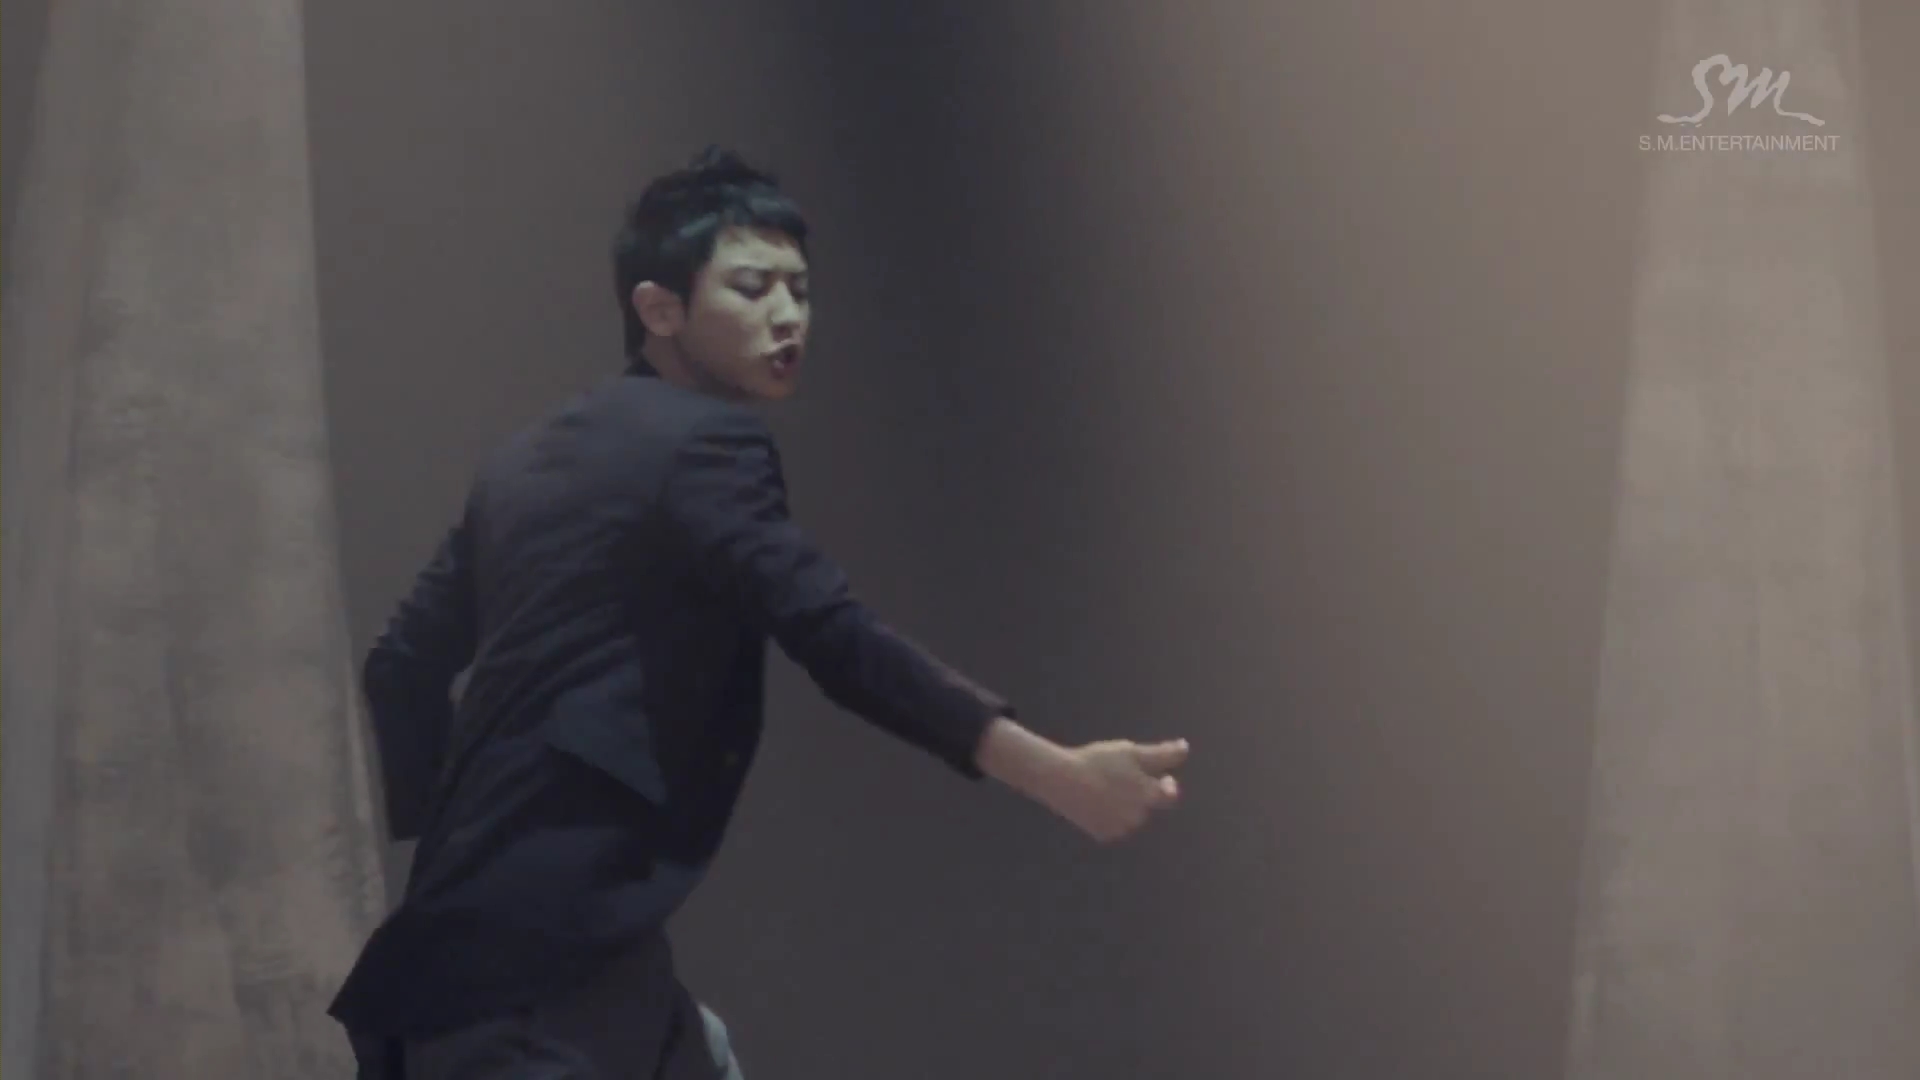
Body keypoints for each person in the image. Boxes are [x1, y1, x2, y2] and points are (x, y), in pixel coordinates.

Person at [327, 146, 1190, 1079]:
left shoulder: (524, 465)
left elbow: (400, 663)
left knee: (704, 1051)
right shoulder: (704, 444)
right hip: (535, 980)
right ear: (659, 310)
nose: (788, 315)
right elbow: (833, 634)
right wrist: (1055, 774)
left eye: (800, 291)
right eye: (752, 287)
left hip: (512, 953)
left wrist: (461, 834)